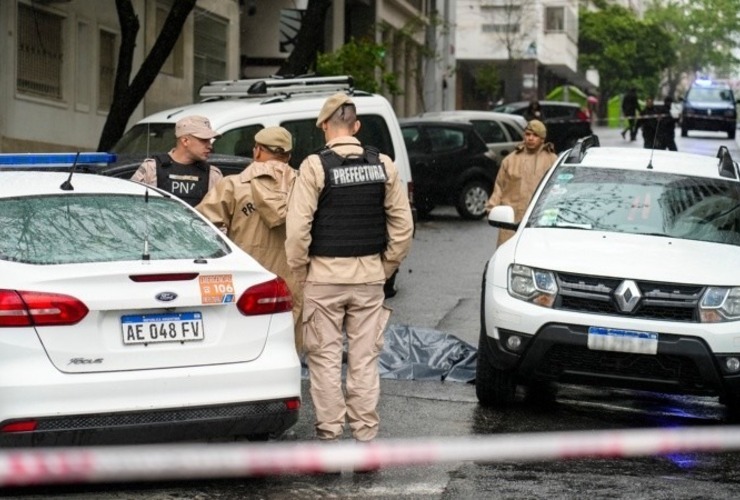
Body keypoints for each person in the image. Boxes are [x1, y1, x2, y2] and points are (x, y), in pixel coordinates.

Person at [286, 92, 413, 443]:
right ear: (356, 126)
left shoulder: (314, 166)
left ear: (325, 126)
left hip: (323, 277)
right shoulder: (383, 164)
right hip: (369, 278)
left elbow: (297, 232)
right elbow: (402, 230)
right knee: (364, 361)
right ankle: (365, 439)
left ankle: (329, 438)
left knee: (325, 361)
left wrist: (302, 273)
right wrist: (383, 267)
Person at [195, 127, 303, 353]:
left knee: (242, 346)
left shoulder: (232, 186)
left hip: (246, 281)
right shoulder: (306, 187)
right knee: (286, 348)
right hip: (293, 282)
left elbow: (198, 226)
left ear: (258, 151)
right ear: (288, 156)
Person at [485, 119, 557, 248]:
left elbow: (559, 191)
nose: (530, 138)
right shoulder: (510, 160)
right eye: (528, 134)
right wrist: (492, 209)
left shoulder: (552, 160)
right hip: (510, 223)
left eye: (535, 135)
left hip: (539, 223)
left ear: (542, 139)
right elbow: (499, 187)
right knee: (507, 259)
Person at [131, 115, 223, 207]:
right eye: (204, 140)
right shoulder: (151, 169)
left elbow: (219, 216)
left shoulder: (212, 175)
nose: (210, 146)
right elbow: (131, 204)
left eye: (209, 141)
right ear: (185, 141)